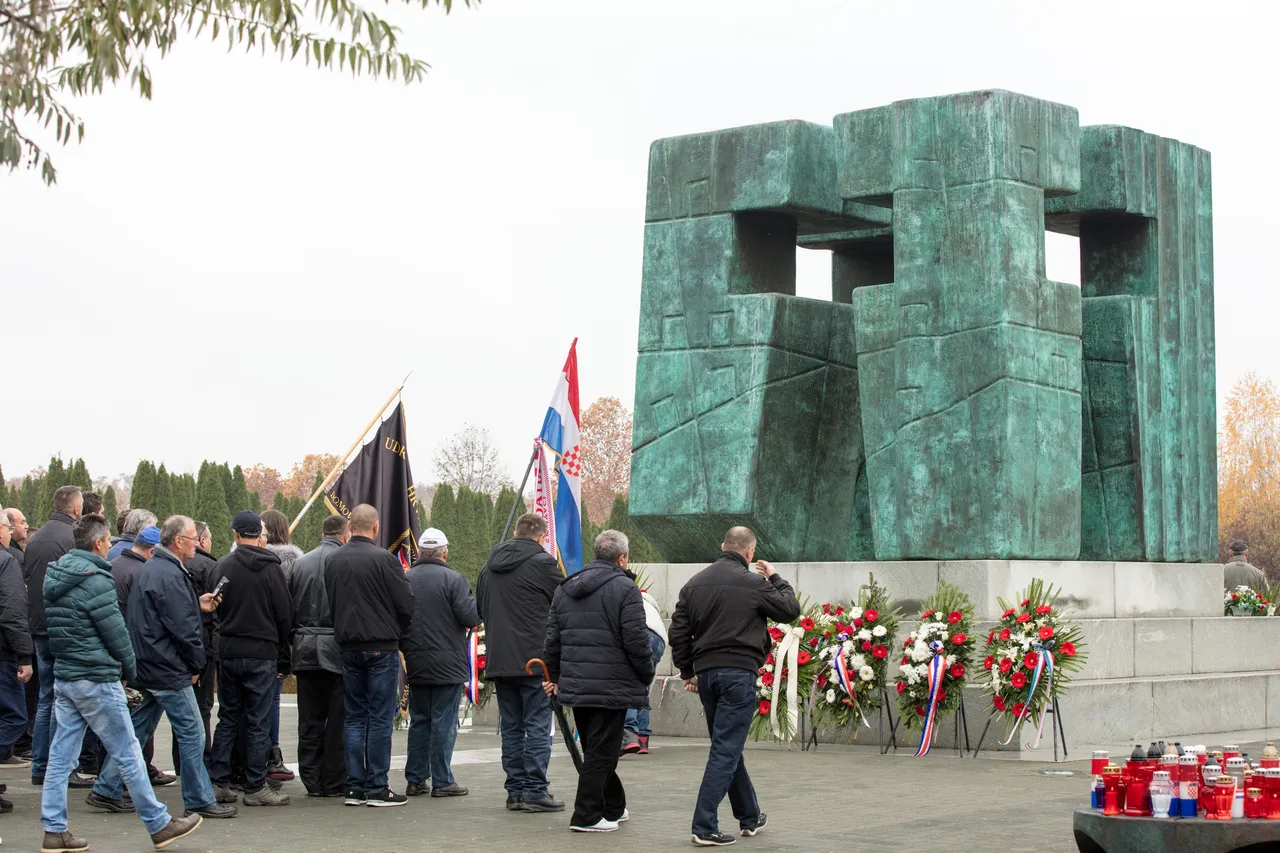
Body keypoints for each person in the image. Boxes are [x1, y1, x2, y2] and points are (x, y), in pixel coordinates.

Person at [39, 514, 202, 853]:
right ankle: (159, 825)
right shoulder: (96, 579)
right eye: (109, 538)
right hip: (97, 678)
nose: (112, 543)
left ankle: (54, 830)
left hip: (67, 676)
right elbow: (116, 634)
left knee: (60, 757)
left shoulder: (55, 576)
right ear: (98, 543)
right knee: (129, 752)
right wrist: (130, 669)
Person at [89, 516, 236, 820]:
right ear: (179, 541)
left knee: (138, 729)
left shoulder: (157, 568)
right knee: (193, 733)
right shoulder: (169, 574)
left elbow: (166, 614)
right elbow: (181, 627)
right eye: (193, 538)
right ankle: (197, 798)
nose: (197, 543)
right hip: (167, 668)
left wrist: (196, 604)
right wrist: (196, 663)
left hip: (149, 663)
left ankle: (106, 787)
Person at [669, 526, 800, 847]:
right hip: (738, 674)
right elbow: (790, 610)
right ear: (750, 553)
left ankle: (750, 815)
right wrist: (775, 577)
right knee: (725, 750)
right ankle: (704, 825)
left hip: (708, 675)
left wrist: (687, 671)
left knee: (727, 746)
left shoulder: (694, 584)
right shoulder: (754, 582)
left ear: (723, 545)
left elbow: (678, 632)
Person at [542, 530, 654, 833]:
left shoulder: (565, 589)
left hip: (578, 684)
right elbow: (636, 640)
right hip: (612, 684)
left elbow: (553, 639)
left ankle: (613, 806)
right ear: (622, 558)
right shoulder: (625, 588)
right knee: (601, 753)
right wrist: (646, 674)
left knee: (597, 749)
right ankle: (587, 815)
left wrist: (551, 676)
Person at [325, 504, 413, 807]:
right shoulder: (385, 560)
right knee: (378, 718)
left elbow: (331, 601)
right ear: (375, 527)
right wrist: (395, 630)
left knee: (354, 717)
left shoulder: (334, 560)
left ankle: (354, 787)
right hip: (381, 645)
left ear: (350, 527)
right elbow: (405, 603)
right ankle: (377, 786)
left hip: (348, 645)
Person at [476, 512, 564, 813]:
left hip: (500, 660)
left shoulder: (488, 567)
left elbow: (480, 609)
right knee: (538, 726)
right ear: (541, 537)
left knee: (512, 728)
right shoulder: (542, 564)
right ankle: (535, 790)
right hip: (534, 661)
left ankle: (514, 790)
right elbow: (565, 601)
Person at [207, 511, 294, 807]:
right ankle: (256, 785)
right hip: (262, 652)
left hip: (230, 651)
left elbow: (214, 610)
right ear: (260, 533)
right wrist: (283, 653)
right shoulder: (272, 570)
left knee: (228, 716)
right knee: (258, 719)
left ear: (234, 534)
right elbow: (284, 615)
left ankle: (219, 780)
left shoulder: (221, 566)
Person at [24, 485, 95, 788]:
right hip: (64, 627)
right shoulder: (73, 539)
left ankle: (41, 765)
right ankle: (61, 768)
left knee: (46, 697)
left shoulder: (34, 538)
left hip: (39, 625)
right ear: (77, 508)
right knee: (64, 699)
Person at [401, 527, 476, 798]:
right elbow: (471, 617)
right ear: (445, 552)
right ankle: (443, 780)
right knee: (444, 721)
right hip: (448, 664)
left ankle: (415, 778)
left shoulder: (406, 579)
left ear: (421, 552)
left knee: (420, 720)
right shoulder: (454, 580)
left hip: (416, 661)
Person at [108, 524, 178, 789]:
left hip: (114, 651)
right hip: (137, 655)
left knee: (123, 721)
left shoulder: (114, 565)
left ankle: (119, 779)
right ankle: (131, 777)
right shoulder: (143, 572)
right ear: (152, 551)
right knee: (139, 722)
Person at [288, 514, 350, 798]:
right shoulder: (345, 561)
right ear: (345, 533)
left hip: (303, 645)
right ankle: (333, 779)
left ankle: (311, 779)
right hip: (335, 648)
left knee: (309, 718)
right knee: (337, 718)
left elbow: (289, 608)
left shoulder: (299, 564)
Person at [260, 508, 302, 783]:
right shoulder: (292, 563)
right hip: (276, 641)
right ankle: (272, 754)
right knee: (271, 700)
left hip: (248, 640)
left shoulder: (234, 560)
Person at [0, 504, 33, 787]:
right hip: (3, 653)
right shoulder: (7, 561)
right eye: (9, 528)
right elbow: (12, 612)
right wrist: (24, 655)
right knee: (14, 717)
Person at [184, 522, 219, 762]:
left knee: (183, 709)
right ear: (202, 541)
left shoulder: (175, 566)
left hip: (179, 644)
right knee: (204, 707)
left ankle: (182, 761)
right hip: (206, 643)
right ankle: (203, 758)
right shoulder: (211, 567)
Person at [621, 584, 668, 755]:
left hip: (640, 635)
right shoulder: (650, 603)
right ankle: (643, 738)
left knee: (630, 685)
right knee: (643, 688)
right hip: (659, 640)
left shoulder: (625, 598)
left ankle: (629, 732)